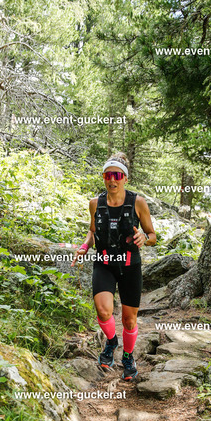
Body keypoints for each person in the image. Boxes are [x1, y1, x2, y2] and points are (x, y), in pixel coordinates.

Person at [72, 152, 156, 380]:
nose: (112, 179)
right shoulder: (95, 204)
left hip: (130, 265)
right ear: (103, 177)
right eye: (108, 175)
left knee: (129, 320)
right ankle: (111, 342)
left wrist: (144, 239)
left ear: (125, 178)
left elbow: (152, 235)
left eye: (117, 175)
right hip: (105, 263)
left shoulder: (138, 202)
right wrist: (85, 246)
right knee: (103, 310)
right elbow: (92, 231)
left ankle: (128, 356)